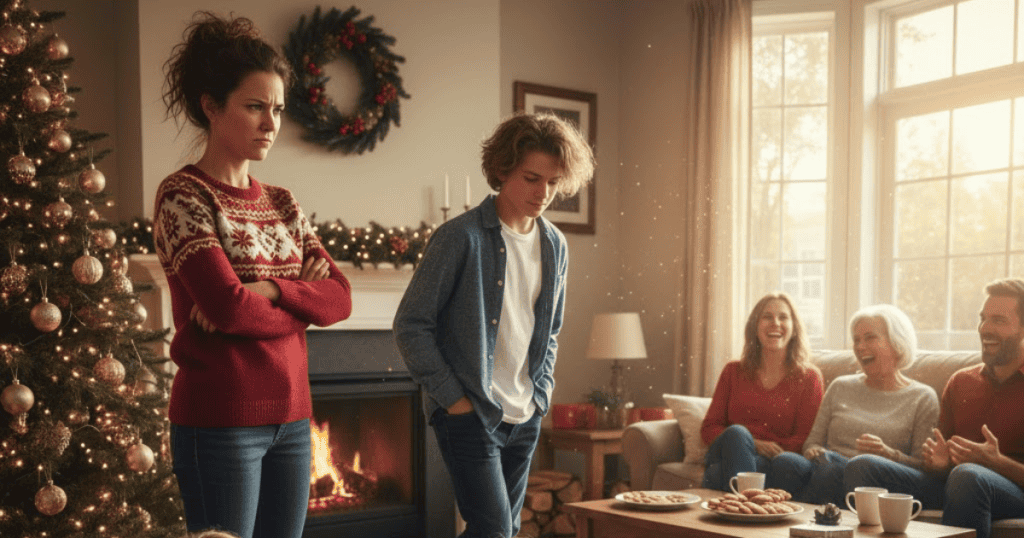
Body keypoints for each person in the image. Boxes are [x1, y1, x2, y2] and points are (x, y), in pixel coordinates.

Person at [153, 12, 352, 538]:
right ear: (211, 106)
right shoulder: (183, 195)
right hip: (219, 422)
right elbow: (225, 308)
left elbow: (341, 300)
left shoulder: (283, 202)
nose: (272, 124)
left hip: (292, 420)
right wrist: (299, 303)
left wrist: (270, 290)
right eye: (255, 107)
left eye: (279, 109)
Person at [393, 113, 595, 538]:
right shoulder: (459, 238)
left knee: (503, 529)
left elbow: (550, 330)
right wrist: (455, 401)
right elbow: (411, 325)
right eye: (531, 178)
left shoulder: (555, 244)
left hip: (525, 413)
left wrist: (541, 394)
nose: (543, 193)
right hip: (470, 412)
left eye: (553, 183)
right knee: (494, 529)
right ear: (502, 170)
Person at [845, 279, 1024, 538]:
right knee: (862, 466)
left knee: (968, 476)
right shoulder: (962, 381)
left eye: (999, 320)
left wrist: (998, 463)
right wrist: (938, 463)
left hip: (1011, 489)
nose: (985, 328)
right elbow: (938, 462)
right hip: (955, 483)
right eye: (983, 319)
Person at [768, 304, 938, 505]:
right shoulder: (840, 386)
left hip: (877, 475)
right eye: (856, 340)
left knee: (855, 465)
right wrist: (812, 450)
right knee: (785, 462)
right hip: (828, 467)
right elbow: (812, 443)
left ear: (897, 343)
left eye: (870, 337)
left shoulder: (922, 397)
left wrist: (887, 453)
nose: (860, 346)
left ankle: (810, 524)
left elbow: (923, 467)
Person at [700, 292, 824, 492]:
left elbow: (805, 438)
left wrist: (767, 450)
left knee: (718, 473)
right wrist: (753, 444)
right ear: (755, 327)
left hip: (774, 460)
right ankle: (750, 505)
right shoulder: (733, 371)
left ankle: (740, 504)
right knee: (738, 433)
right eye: (767, 317)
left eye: (783, 317)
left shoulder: (809, 378)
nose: (775, 323)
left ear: (794, 329)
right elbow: (709, 429)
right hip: (731, 449)